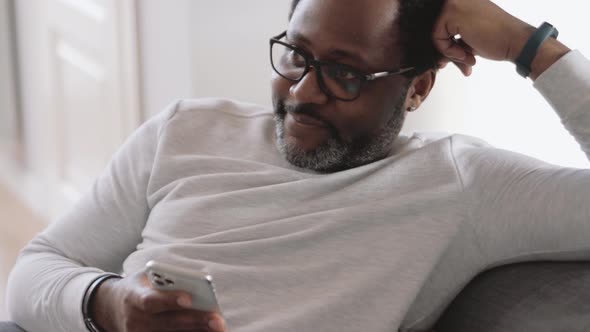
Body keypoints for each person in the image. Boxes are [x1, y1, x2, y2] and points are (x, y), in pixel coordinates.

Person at [7, 0, 590, 331]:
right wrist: (108, 304)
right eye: (295, 56)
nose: (303, 93)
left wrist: (530, 47)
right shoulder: (183, 130)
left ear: (417, 90)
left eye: (346, 74)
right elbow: (35, 271)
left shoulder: (463, 186)